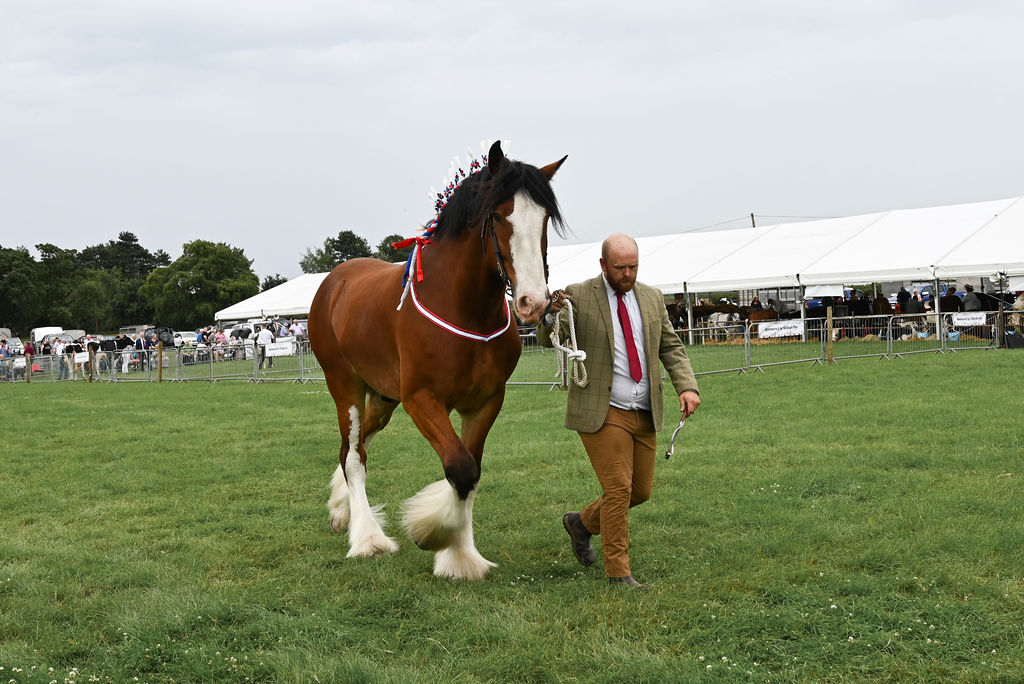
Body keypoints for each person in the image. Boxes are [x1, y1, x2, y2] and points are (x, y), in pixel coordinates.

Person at [539, 233, 700, 591]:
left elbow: (671, 346)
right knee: (618, 488)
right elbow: (545, 335)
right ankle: (618, 573)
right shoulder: (578, 295)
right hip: (602, 409)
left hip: (644, 409)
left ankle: (580, 524)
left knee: (640, 491)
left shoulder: (652, 297)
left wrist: (687, 386)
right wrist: (550, 316)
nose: (628, 274)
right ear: (603, 265)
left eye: (633, 266)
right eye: (620, 267)